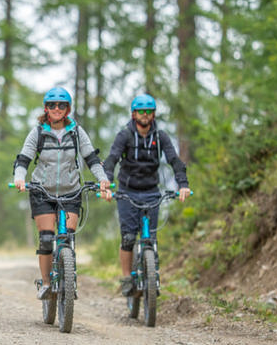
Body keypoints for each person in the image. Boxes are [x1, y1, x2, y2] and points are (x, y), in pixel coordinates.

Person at [13, 87, 111, 299]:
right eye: (52, 105)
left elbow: (91, 158)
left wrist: (103, 179)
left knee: (67, 237)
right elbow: (23, 160)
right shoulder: (38, 132)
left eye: (61, 105)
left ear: (68, 108)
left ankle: (68, 277)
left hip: (71, 192)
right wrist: (19, 178)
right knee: (47, 238)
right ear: (46, 108)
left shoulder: (76, 132)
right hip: (42, 192)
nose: (56, 109)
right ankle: (47, 283)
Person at [102, 93, 190, 296]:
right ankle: (126, 277)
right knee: (128, 238)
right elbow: (112, 159)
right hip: (127, 192)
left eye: (148, 111)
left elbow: (174, 160)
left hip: (152, 192)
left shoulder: (160, 136)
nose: (144, 115)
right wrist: (106, 184)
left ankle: (151, 275)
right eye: (141, 111)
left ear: (153, 114)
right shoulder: (124, 135)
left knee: (150, 238)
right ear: (134, 114)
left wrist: (182, 184)